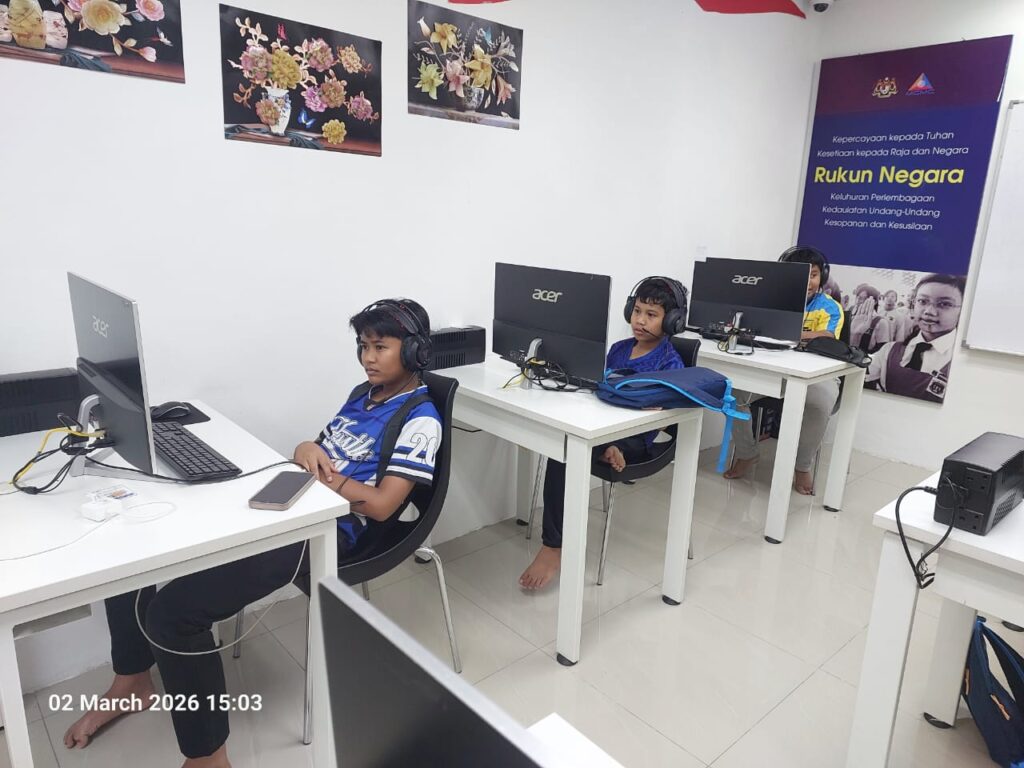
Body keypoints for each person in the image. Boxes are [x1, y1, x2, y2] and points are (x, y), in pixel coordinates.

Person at [62, 299, 442, 768]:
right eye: (363, 346)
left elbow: (384, 506)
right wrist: (305, 448)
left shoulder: (421, 419)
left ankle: (208, 758)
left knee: (173, 615)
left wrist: (324, 479)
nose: (367, 357)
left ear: (416, 351)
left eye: (380, 347)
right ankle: (132, 680)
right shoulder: (364, 394)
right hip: (295, 502)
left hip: (328, 531)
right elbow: (321, 449)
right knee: (134, 545)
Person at [518, 277, 687, 590]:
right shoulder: (619, 349)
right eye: (637, 311)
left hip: (636, 439)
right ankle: (607, 448)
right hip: (600, 427)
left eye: (651, 315)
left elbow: (664, 418)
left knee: (566, 455)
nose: (640, 320)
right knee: (564, 445)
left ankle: (553, 547)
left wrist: (619, 433)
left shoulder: (670, 362)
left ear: (673, 322)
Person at [723, 247, 844, 495]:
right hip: (775, 370)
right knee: (732, 395)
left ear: (822, 277)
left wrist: (788, 331)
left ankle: (802, 466)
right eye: (799, 275)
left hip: (817, 375)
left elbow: (827, 336)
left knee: (820, 405)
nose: (807, 282)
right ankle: (747, 453)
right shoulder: (772, 302)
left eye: (813, 275)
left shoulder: (829, 307)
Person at [866, 274, 965, 403]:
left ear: (963, 310)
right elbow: (859, 377)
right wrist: (859, 337)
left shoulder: (963, 362)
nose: (929, 311)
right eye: (922, 301)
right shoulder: (889, 350)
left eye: (944, 304)